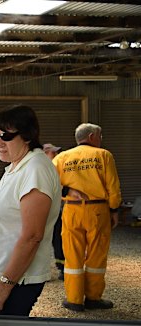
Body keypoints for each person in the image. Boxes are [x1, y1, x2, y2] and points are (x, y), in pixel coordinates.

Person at [0, 105, 61, 316]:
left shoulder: (36, 170)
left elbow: (32, 236)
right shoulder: (17, 165)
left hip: (16, 280)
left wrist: (4, 284)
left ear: (28, 136)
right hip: (2, 272)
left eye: (6, 136)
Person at [52, 123, 121, 312]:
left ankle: (74, 300)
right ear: (92, 136)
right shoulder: (104, 155)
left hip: (71, 211)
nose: (101, 140)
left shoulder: (61, 158)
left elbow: (49, 183)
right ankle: (93, 298)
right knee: (96, 255)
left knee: (72, 255)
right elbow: (113, 187)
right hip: (97, 211)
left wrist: (67, 191)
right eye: (100, 136)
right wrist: (114, 210)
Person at [43, 143, 65, 280]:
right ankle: (41, 271)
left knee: (59, 240)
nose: (56, 155)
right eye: (53, 152)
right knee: (41, 242)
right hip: (43, 213)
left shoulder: (56, 169)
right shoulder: (41, 169)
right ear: (45, 153)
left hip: (56, 212)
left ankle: (62, 268)